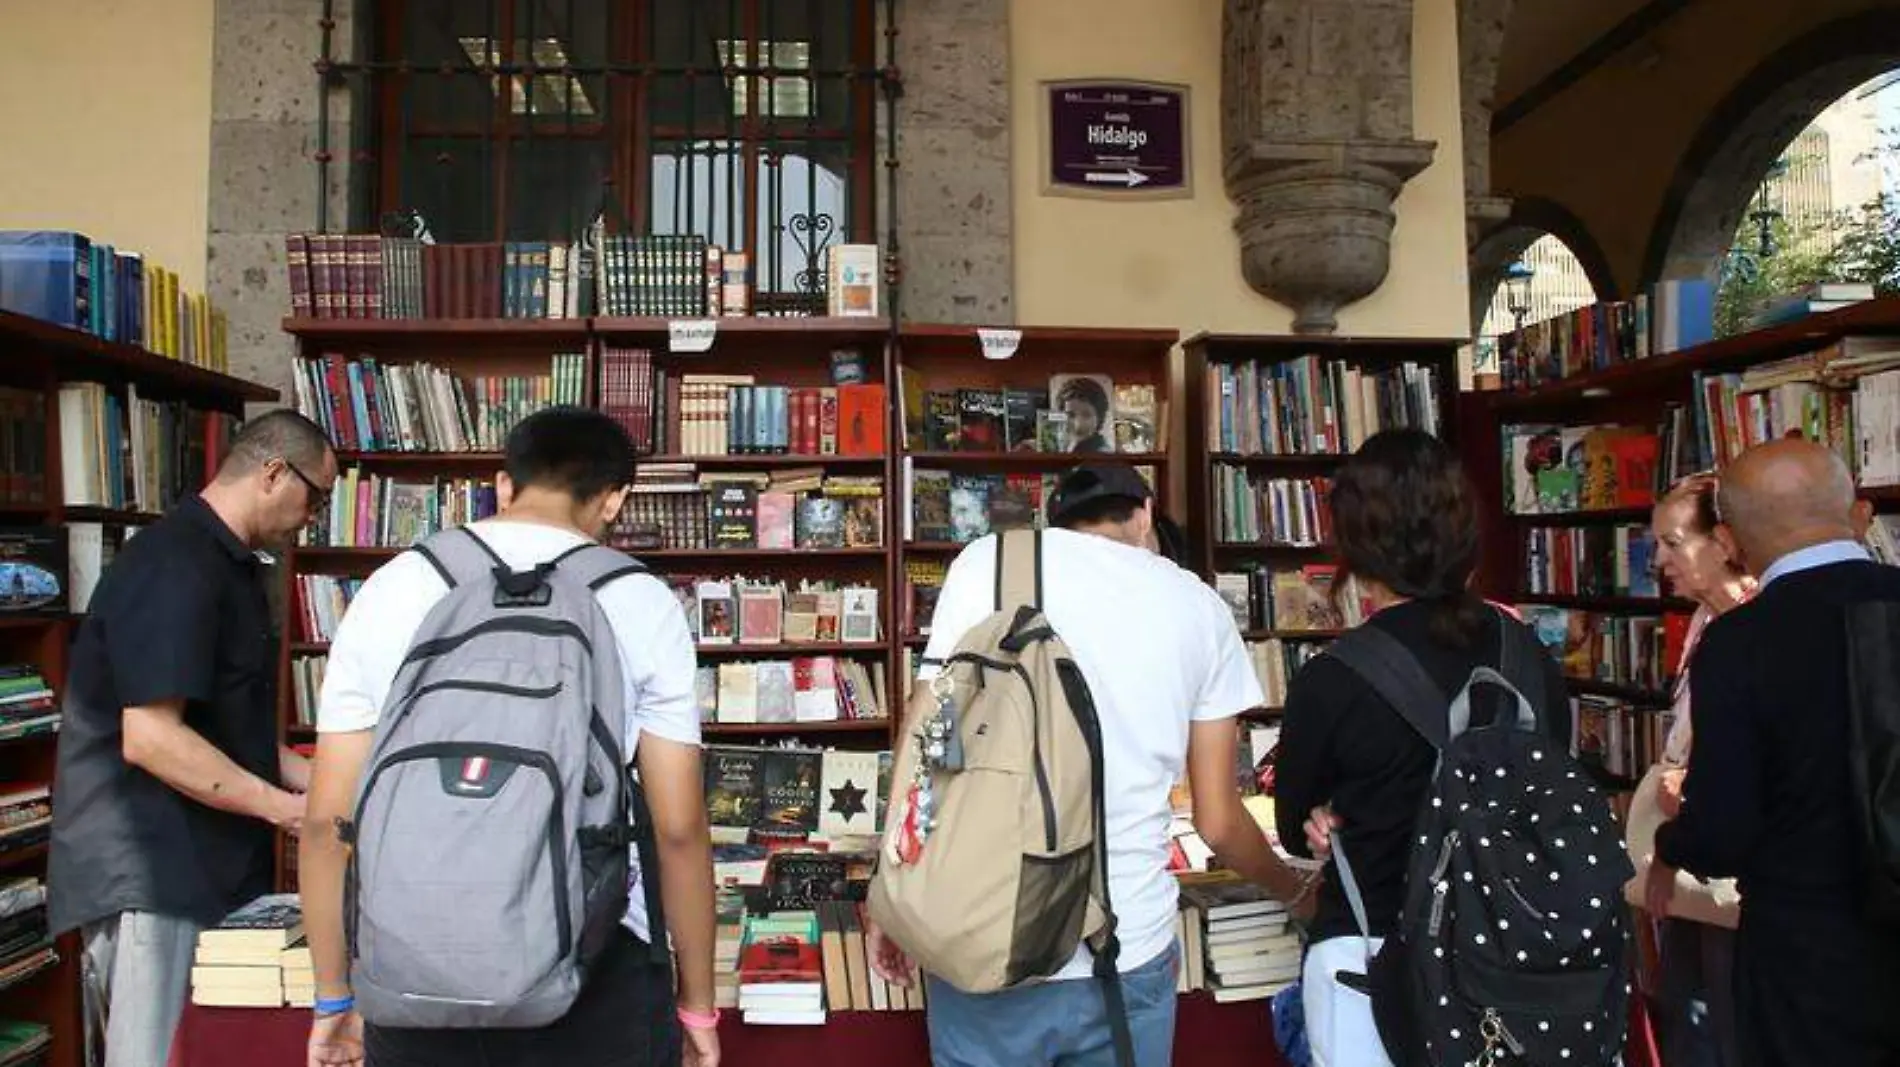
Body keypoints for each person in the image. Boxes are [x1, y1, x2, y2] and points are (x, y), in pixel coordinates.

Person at [297, 407, 719, 1067]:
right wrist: (698, 1005)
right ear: (614, 499)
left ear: (502, 481)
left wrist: (333, 998)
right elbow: (678, 828)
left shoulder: (392, 588)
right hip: (595, 968)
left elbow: (328, 821)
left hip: (412, 969)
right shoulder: (641, 601)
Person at [870, 462, 1312, 1067]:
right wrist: (1296, 891)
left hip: (984, 933)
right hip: (1127, 949)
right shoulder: (1199, 606)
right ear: (1146, 514)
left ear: (1058, 520)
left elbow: (927, 739)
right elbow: (1217, 821)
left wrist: (890, 892)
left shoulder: (989, 564)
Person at [46, 410, 337, 1067]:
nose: (313, 516)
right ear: (271, 472)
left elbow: (234, 737)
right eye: (315, 495)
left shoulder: (229, 565)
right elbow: (150, 737)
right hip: (154, 873)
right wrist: (284, 809)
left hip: (205, 867)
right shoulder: (174, 562)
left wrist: (329, 786)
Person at [1274, 429, 1568, 1067]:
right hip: (1512, 947)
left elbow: (1295, 829)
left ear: (1353, 540)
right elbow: (1554, 787)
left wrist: (1320, 819)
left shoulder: (1335, 675)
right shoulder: (1527, 656)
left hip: (1373, 948)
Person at [1651, 438, 1900, 1067]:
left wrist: (1671, 845)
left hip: (1808, 954)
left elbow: (1724, 832)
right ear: (1857, 511)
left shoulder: (1741, 643)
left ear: (1730, 540)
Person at [1630, 474, 1754, 1067]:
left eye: (1673, 543)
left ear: (1723, 542)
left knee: (1724, 1024)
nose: (1660, 561)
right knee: (1687, 1014)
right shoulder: (1707, 619)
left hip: (1731, 870)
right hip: (1691, 858)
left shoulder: (1755, 626)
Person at [1056, 377, 1113, 453]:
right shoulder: (1062, 446)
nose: (1078, 425)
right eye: (1070, 415)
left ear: (1099, 417)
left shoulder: (1103, 454)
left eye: (1087, 415)